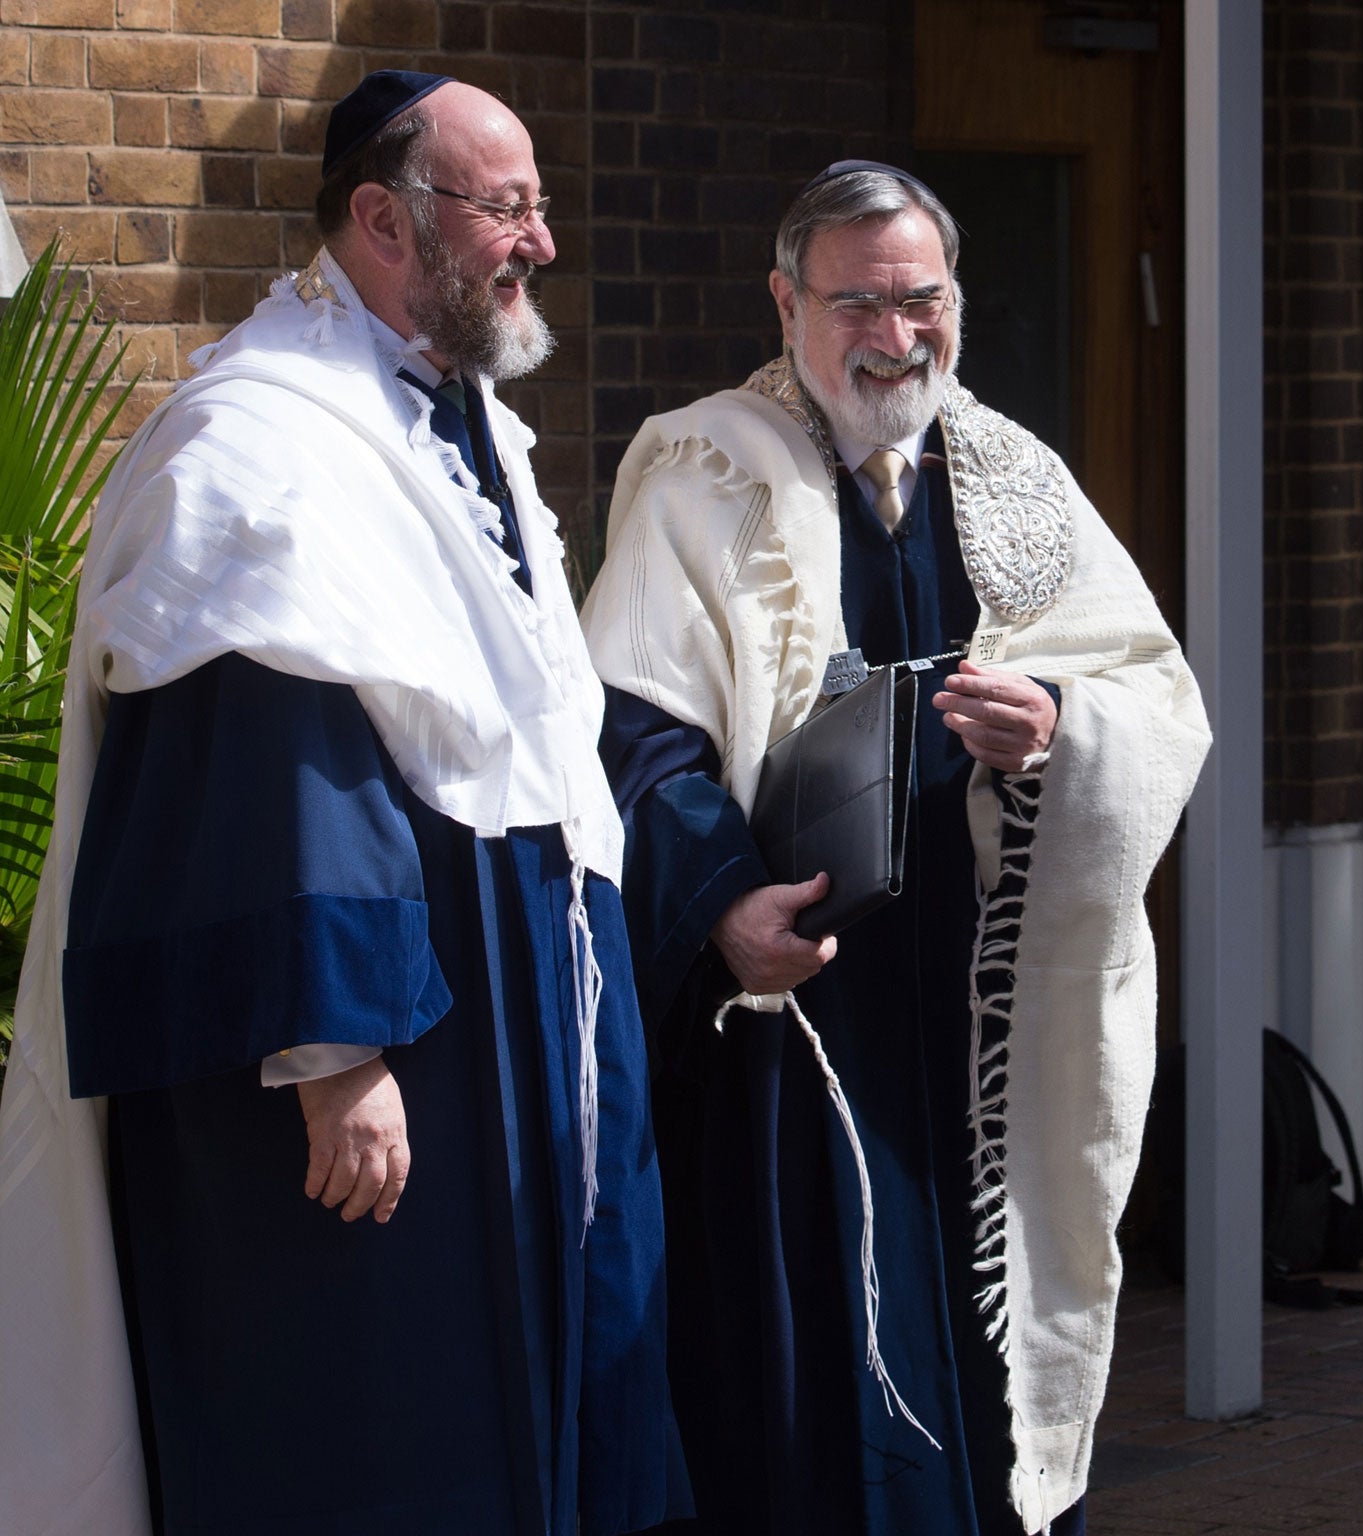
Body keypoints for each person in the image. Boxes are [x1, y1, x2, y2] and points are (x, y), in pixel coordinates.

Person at [0, 71, 689, 1535]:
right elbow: (263, 748)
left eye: (539, 206)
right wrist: (332, 1049)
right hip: (378, 1056)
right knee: (378, 1434)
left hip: (522, 1010)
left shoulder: (459, 422)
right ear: (383, 218)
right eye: (505, 208)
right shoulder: (259, 444)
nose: (540, 244)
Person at [581, 161, 1210, 1536]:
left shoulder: (1016, 479)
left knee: (989, 1380)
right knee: (818, 1379)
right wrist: (728, 904)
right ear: (786, 301)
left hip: (985, 1020)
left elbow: (1156, 697)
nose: (895, 332)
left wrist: (1055, 726)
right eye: (856, 299)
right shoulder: (700, 474)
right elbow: (632, 739)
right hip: (801, 1016)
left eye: (920, 297)